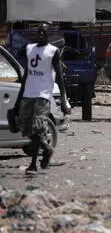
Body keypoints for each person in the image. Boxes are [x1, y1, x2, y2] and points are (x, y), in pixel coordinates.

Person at [12, 23, 71, 174]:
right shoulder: (30, 48)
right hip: (28, 93)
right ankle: (47, 148)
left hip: (43, 95)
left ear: (49, 34)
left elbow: (59, 77)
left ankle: (33, 164)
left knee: (38, 128)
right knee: (26, 128)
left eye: (44, 32)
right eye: (39, 32)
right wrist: (18, 100)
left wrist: (64, 99)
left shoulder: (53, 51)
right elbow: (26, 75)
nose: (41, 34)